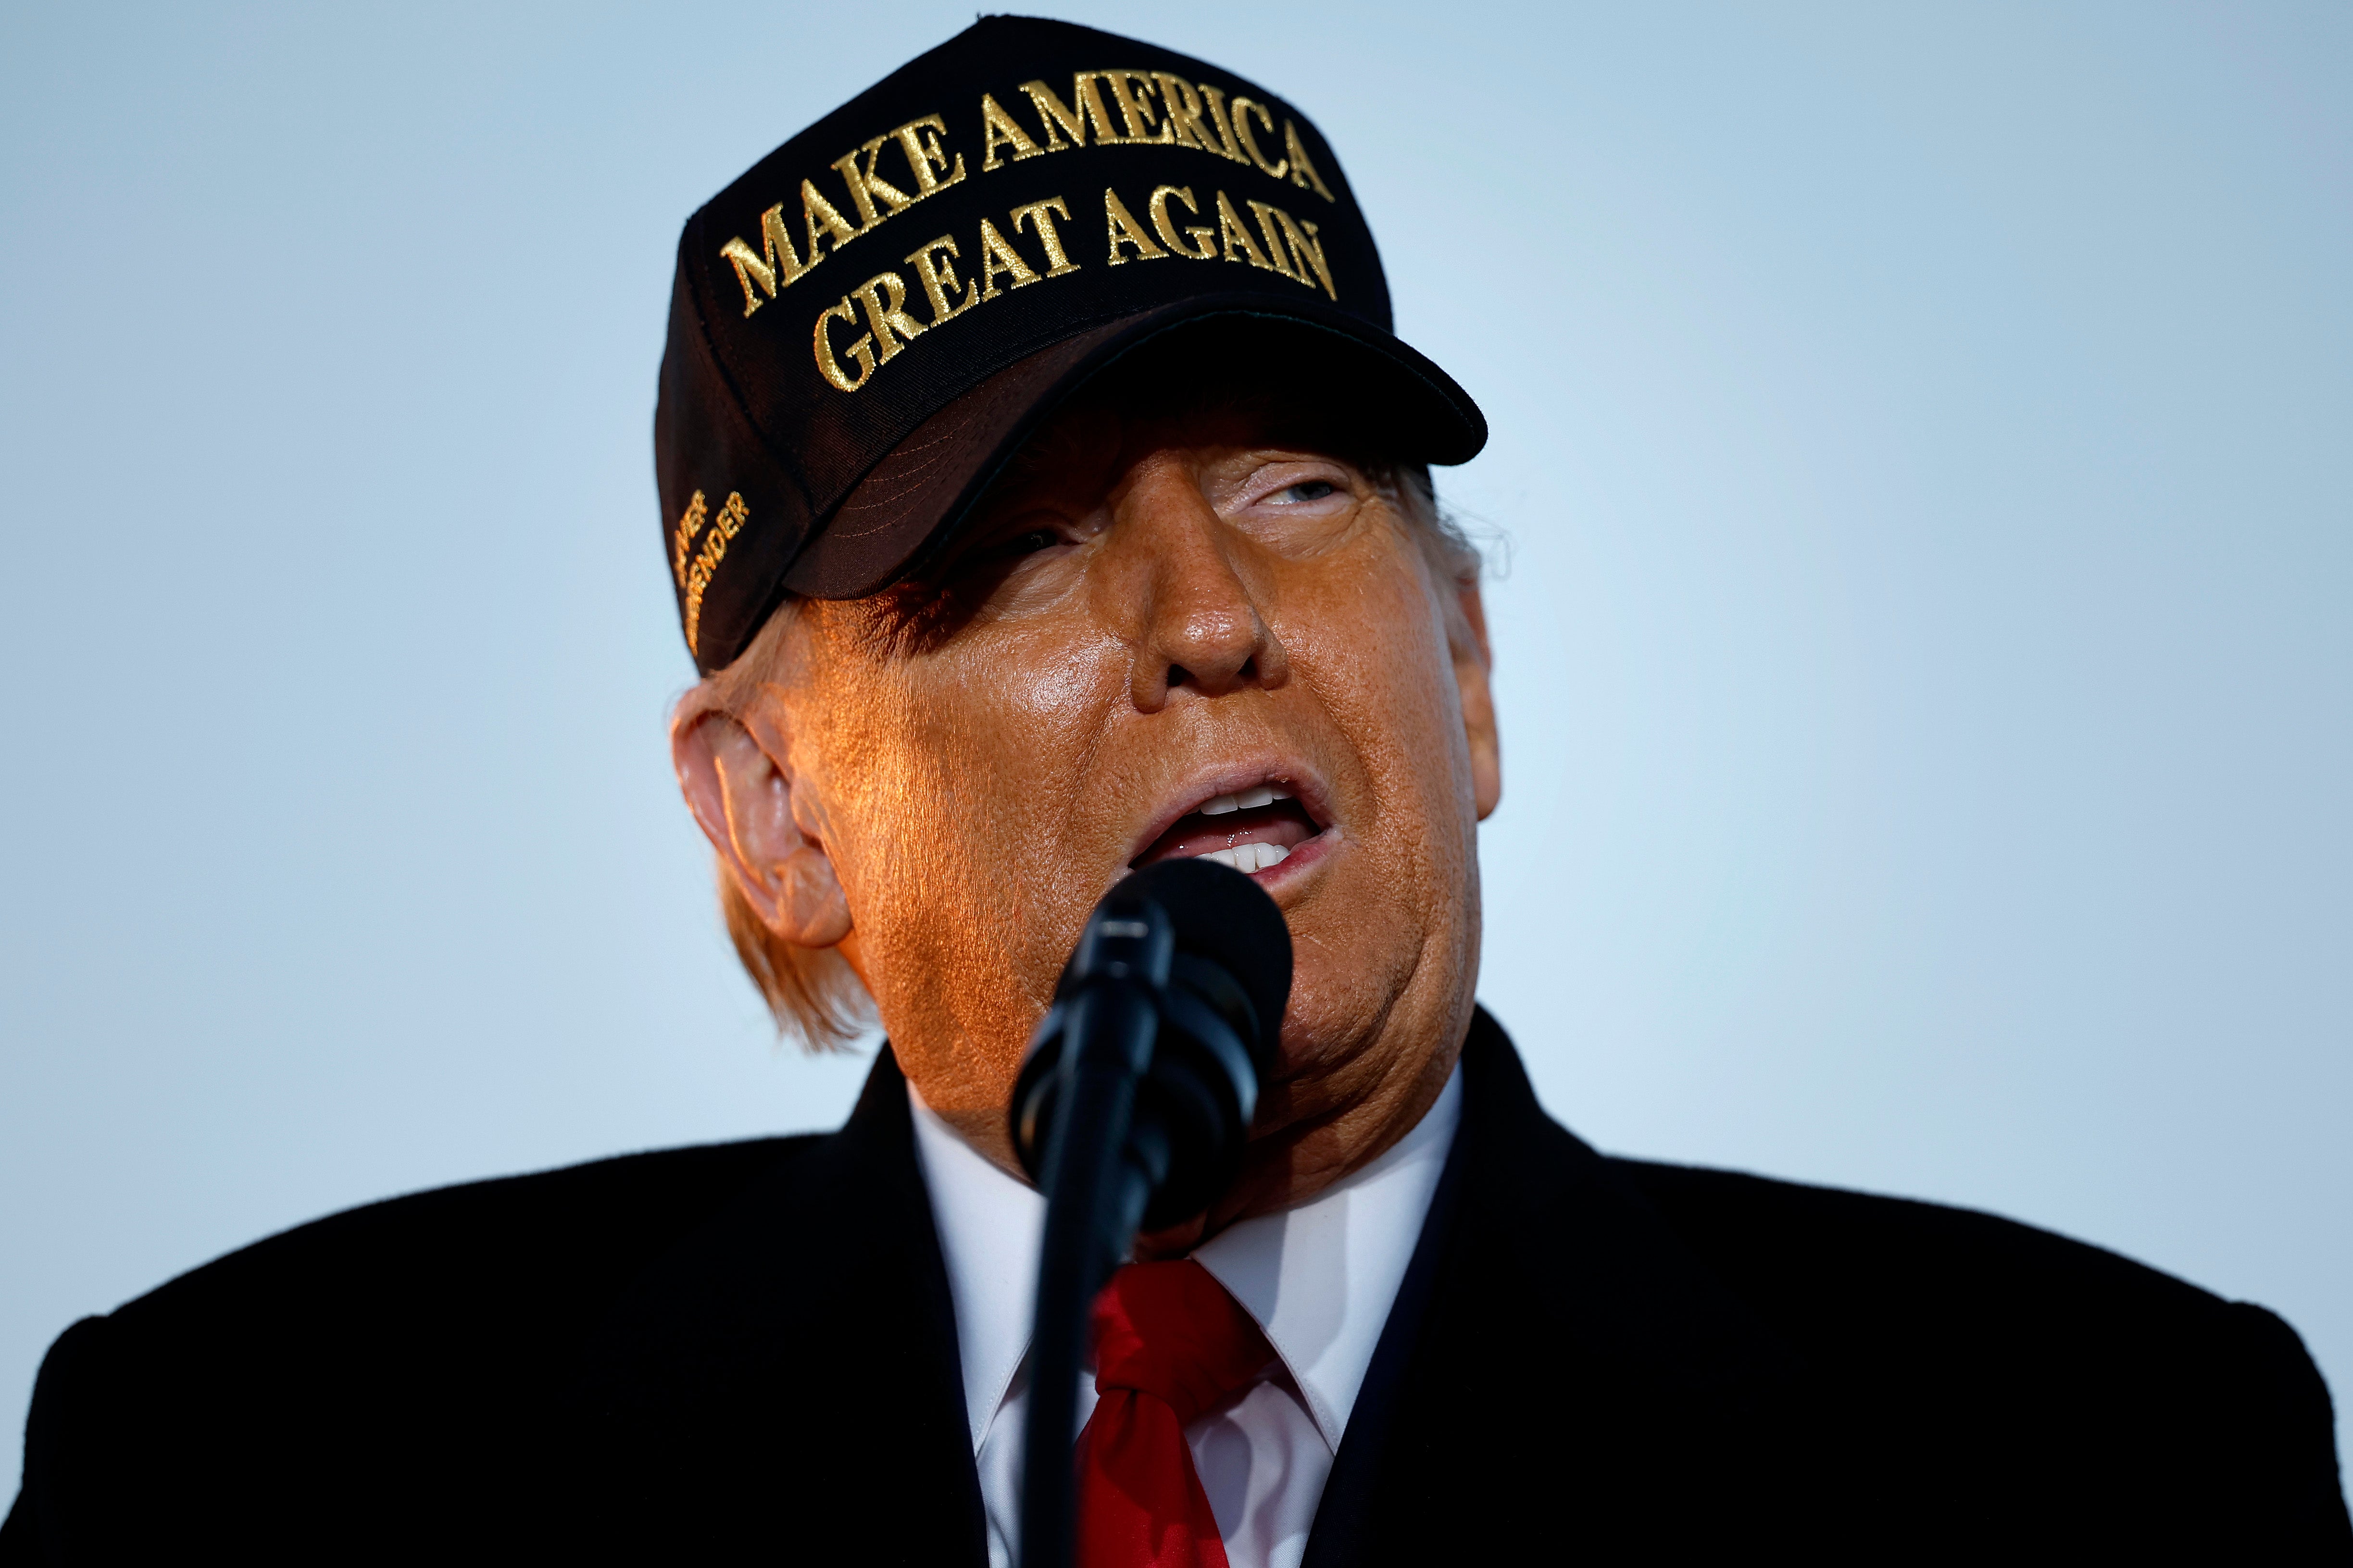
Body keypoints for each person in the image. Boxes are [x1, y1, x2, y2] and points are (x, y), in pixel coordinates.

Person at [5, 17, 2346, 1565]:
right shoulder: (257, 1475)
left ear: (1469, 665)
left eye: (1307, 491)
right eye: (1016, 553)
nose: (1209, 613)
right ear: (773, 818)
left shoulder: (2106, 1472)